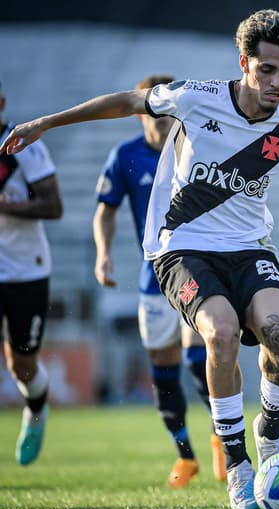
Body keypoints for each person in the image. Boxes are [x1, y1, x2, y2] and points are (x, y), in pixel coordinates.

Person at [2, 9, 279, 509]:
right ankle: (239, 467)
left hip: (249, 248)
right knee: (219, 333)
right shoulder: (196, 98)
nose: (276, 82)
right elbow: (128, 101)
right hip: (182, 248)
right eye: (267, 70)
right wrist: (48, 121)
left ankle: (268, 433)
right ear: (244, 62)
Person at [93, 74, 226, 486]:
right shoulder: (125, 156)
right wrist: (103, 254)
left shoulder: (195, 149)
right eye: (157, 113)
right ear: (141, 114)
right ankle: (185, 457)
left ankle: (223, 439)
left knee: (196, 356)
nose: (166, 121)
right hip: (153, 278)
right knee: (163, 369)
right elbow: (105, 210)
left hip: (193, 271)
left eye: (171, 113)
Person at [0, 80, 63, 465]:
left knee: (21, 365)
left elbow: (53, 205)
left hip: (26, 270)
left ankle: (36, 409)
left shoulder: (22, 146)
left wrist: (10, 208)